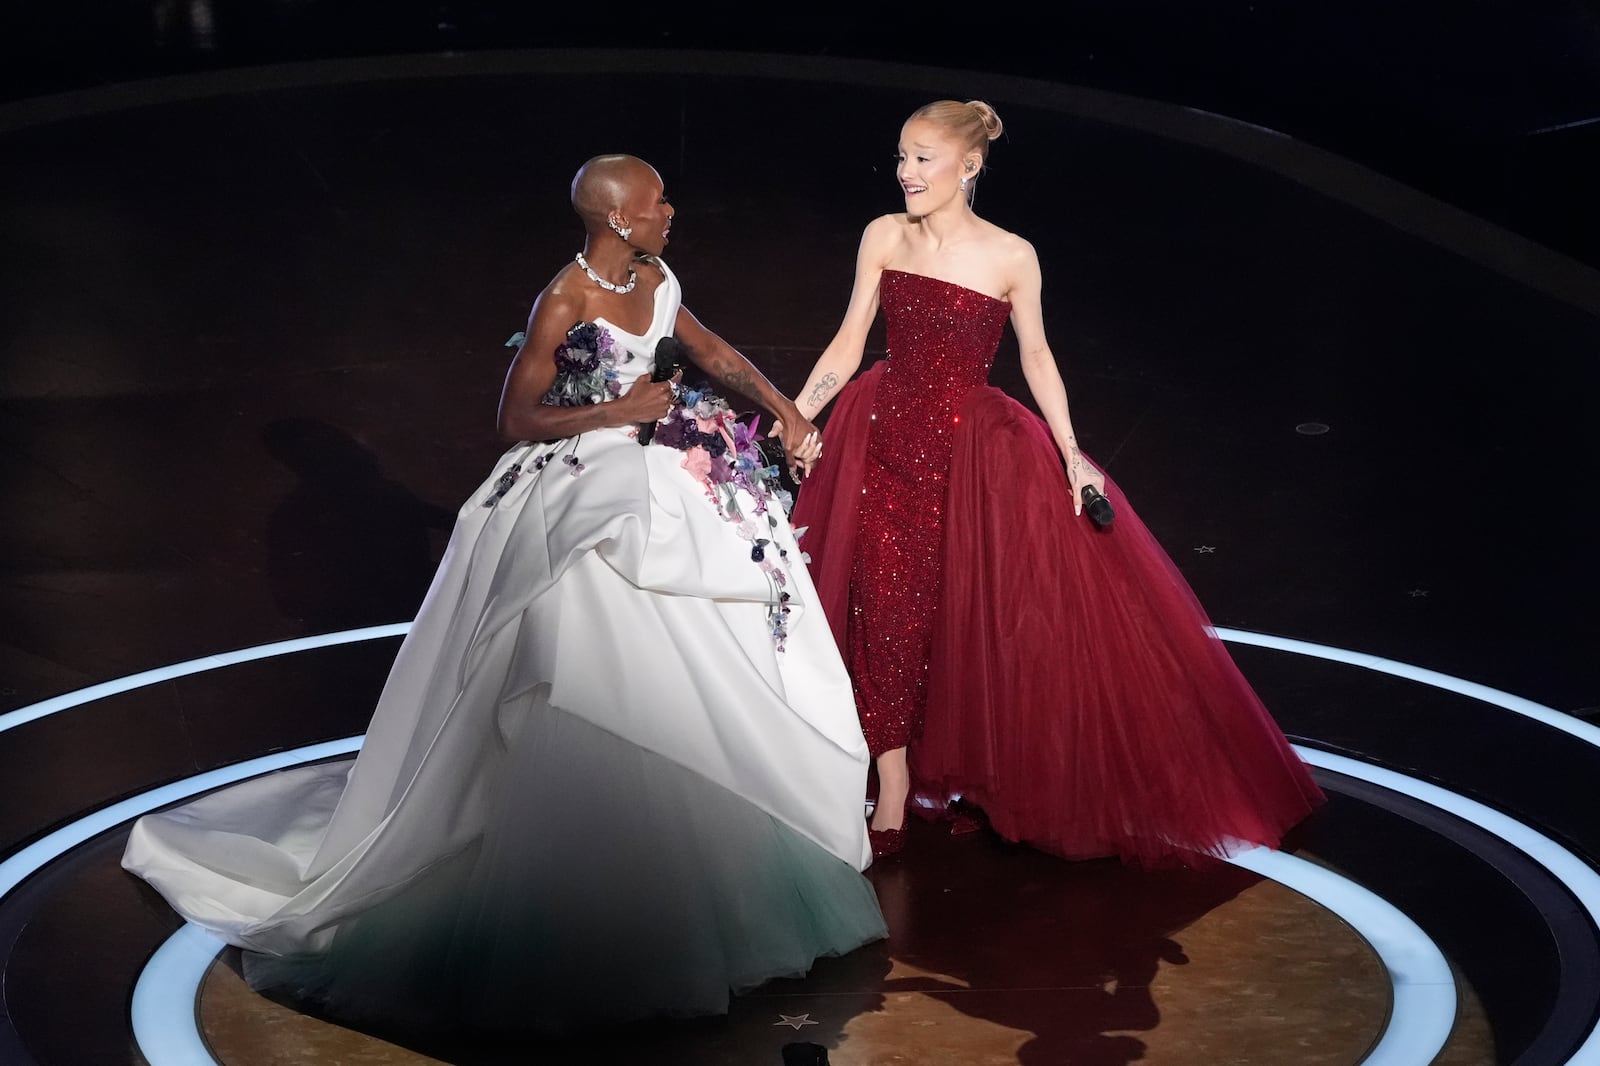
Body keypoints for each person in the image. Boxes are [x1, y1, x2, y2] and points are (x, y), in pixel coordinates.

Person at [122, 154, 886, 1034]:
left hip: (654, 468)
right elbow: (516, 419)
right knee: (573, 654)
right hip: (582, 473)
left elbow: (706, 349)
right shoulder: (564, 298)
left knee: (680, 663)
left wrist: (785, 411)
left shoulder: (658, 273)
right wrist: (615, 414)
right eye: (656, 202)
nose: (671, 210)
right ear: (619, 220)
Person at [781, 100, 1324, 865]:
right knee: (883, 604)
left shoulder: (1011, 255)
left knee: (964, 614)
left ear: (969, 166)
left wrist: (1072, 453)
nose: (906, 172)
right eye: (901, 156)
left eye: (924, 157)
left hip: (969, 455)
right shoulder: (884, 236)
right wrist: (799, 413)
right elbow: (848, 339)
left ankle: (961, 769)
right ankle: (893, 782)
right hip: (882, 440)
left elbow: (1036, 358)